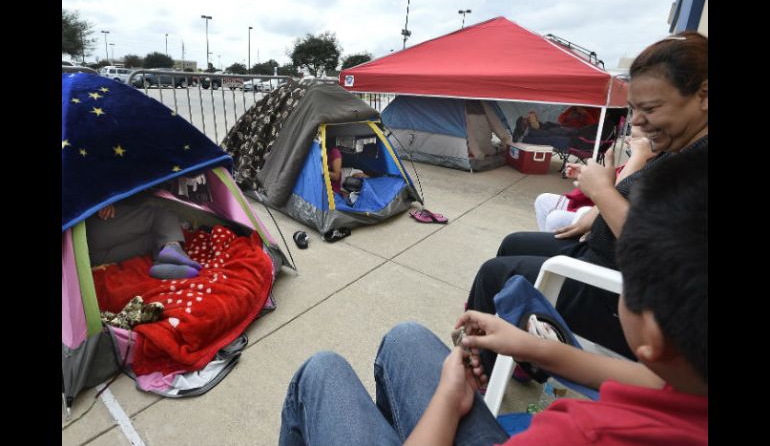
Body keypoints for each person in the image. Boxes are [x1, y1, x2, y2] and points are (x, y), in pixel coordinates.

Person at [278, 145, 707, 445]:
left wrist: (449, 399)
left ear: (651, 329)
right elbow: (655, 382)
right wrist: (529, 345)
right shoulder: (691, 385)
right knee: (407, 336)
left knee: (320, 372)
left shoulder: (580, 434)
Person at [466, 30, 708, 373]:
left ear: (703, 96)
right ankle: (518, 356)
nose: (637, 121)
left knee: (495, 274)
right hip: (601, 251)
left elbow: (664, 255)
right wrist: (597, 213)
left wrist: (602, 193)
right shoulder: (683, 146)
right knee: (512, 244)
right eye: (633, 109)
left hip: (614, 291)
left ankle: (482, 371)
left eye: (650, 108)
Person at [534, 125, 655, 232]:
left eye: (633, 137)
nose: (627, 140)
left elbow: (617, 193)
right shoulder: (639, 160)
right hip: (597, 205)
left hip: (606, 216)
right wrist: (586, 173)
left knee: (555, 218)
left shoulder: (647, 165)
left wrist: (638, 155)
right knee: (543, 200)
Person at [86, 192, 202, 280]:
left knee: (157, 237)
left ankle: (162, 265)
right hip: (90, 230)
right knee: (161, 214)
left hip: (88, 260)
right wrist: (100, 199)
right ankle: (173, 247)